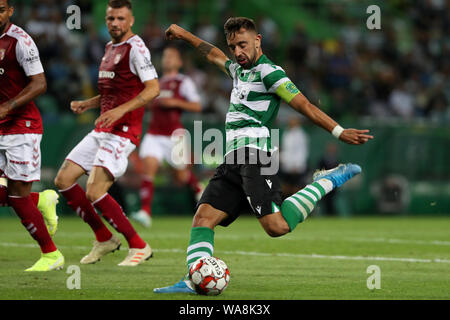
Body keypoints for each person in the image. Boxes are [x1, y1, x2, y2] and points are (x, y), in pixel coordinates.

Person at [154, 17, 373, 293]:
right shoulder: (238, 70)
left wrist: (339, 131)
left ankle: (326, 181)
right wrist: (185, 34)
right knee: (203, 217)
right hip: (233, 157)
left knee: (276, 227)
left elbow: (304, 104)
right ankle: (194, 278)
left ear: (258, 41)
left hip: (257, 155)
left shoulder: (270, 72)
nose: (237, 52)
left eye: (243, 45)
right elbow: (213, 54)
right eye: (233, 46)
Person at [54, 0, 160, 267]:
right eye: (111, 18)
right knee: (64, 179)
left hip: (123, 131)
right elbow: (115, 91)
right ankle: (104, 238)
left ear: (131, 20)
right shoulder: (110, 47)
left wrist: (119, 111)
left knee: (94, 190)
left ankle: (139, 245)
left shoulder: (136, 48)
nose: (115, 23)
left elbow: (152, 89)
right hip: (103, 127)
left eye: (121, 19)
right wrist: (89, 103)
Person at [0, 0, 63, 271]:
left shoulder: (20, 41)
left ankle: (51, 255)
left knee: (16, 195)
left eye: (0, 9)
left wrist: (8, 105)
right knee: (18, 195)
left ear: (10, 10)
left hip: (21, 127)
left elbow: (40, 83)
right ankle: (41, 200)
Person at [131, 45, 203, 228]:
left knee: (181, 175)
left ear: (179, 62)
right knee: (149, 168)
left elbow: (197, 106)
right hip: (154, 133)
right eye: (165, 56)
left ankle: (198, 189)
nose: (167, 59)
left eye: (171, 55)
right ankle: (145, 212)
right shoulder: (156, 83)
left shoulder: (183, 82)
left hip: (174, 135)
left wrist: (175, 102)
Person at [279, 117, 309, 198]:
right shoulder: (287, 132)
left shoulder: (301, 134)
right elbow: (286, 149)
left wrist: (297, 165)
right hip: (287, 165)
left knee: (296, 188)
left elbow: (302, 151)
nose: (290, 122)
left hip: (296, 167)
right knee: (286, 187)